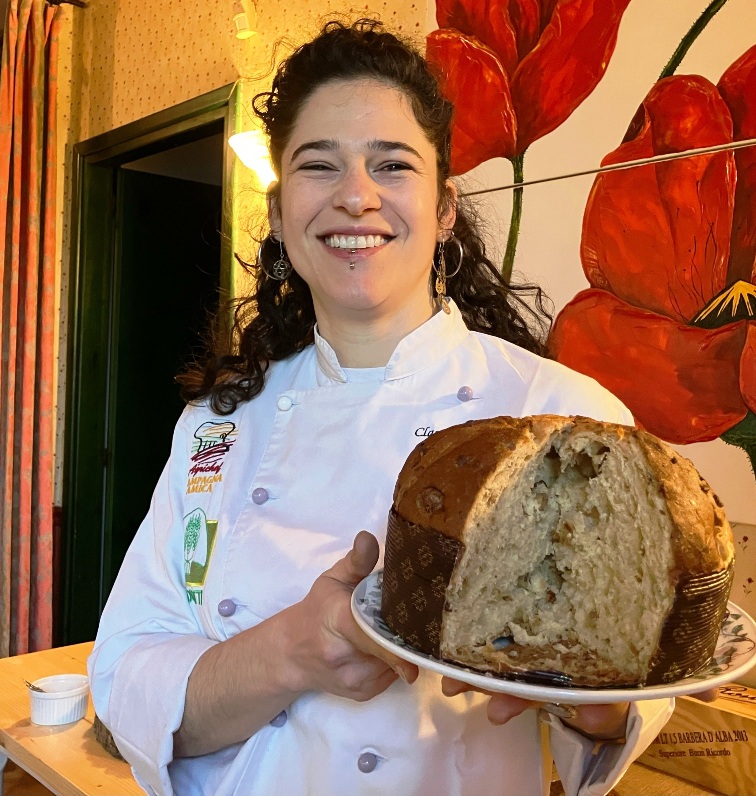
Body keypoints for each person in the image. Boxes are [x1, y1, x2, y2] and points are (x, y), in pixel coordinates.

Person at [88, 18, 690, 796]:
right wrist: (294, 652)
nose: (355, 195)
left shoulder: (564, 418)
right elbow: (129, 680)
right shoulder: (219, 425)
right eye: (319, 165)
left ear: (444, 208)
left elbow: (626, 694)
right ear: (278, 214)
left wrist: (601, 705)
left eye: (391, 164)